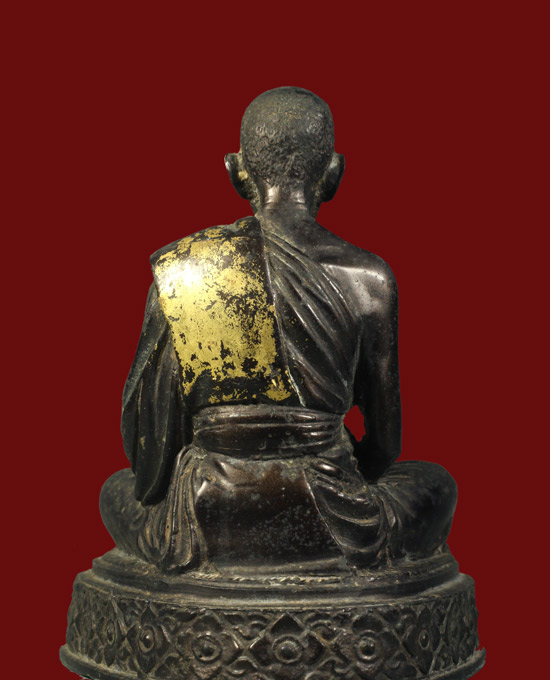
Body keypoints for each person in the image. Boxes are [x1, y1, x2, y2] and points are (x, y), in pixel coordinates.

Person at [100, 87, 457, 575]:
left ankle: (223, 558)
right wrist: (335, 471)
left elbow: (150, 450)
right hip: (334, 512)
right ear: (334, 172)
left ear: (235, 170)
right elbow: (385, 446)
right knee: (435, 484)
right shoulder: (368, 277)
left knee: (115, 490)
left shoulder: (186, 270)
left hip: (204, 513)